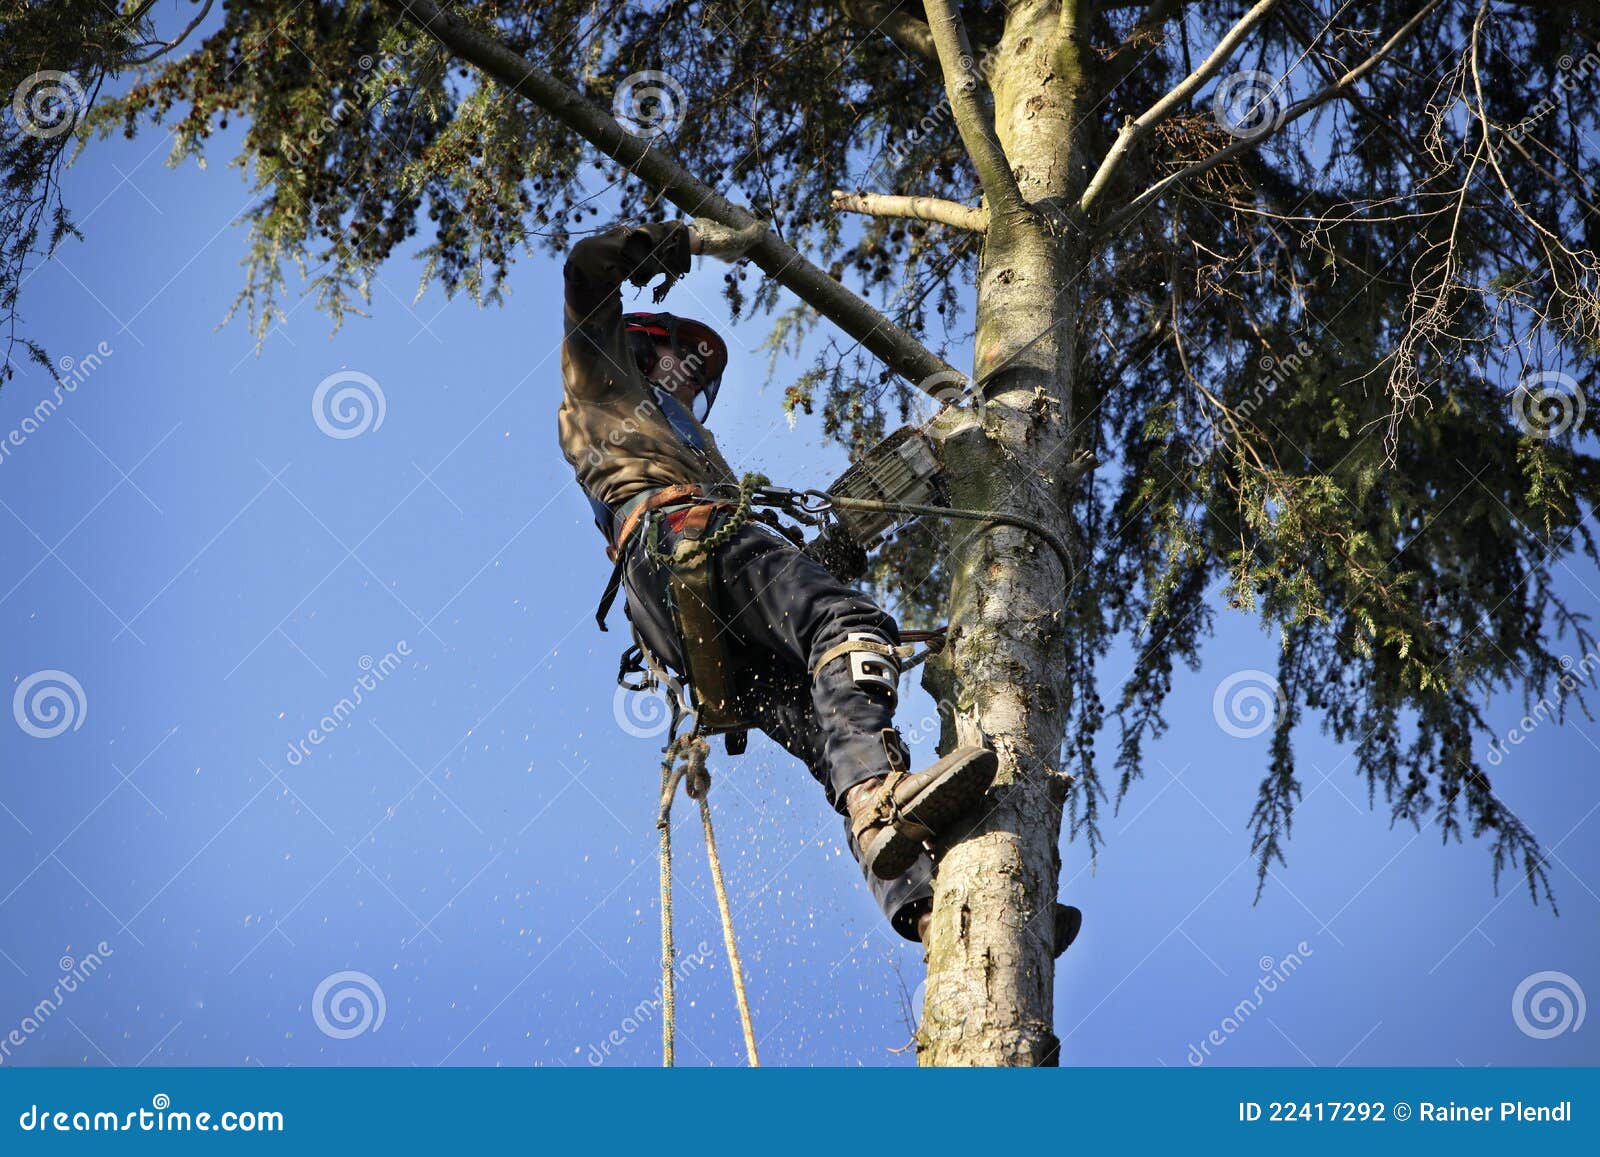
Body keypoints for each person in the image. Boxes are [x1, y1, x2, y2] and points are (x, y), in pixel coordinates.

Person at [558, 216, 999, 945]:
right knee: (850, 624)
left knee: (837, 733)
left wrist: (861, 521)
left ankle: (925, 908)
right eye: (680, 362)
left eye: (698, 379)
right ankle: (883, 805)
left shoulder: (700, 462)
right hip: (676, 542)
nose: (688, 380)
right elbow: (585, 265)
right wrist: (689, 241)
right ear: (637, 345)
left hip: (690, 626)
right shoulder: (599, 377)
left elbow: (775, 589)